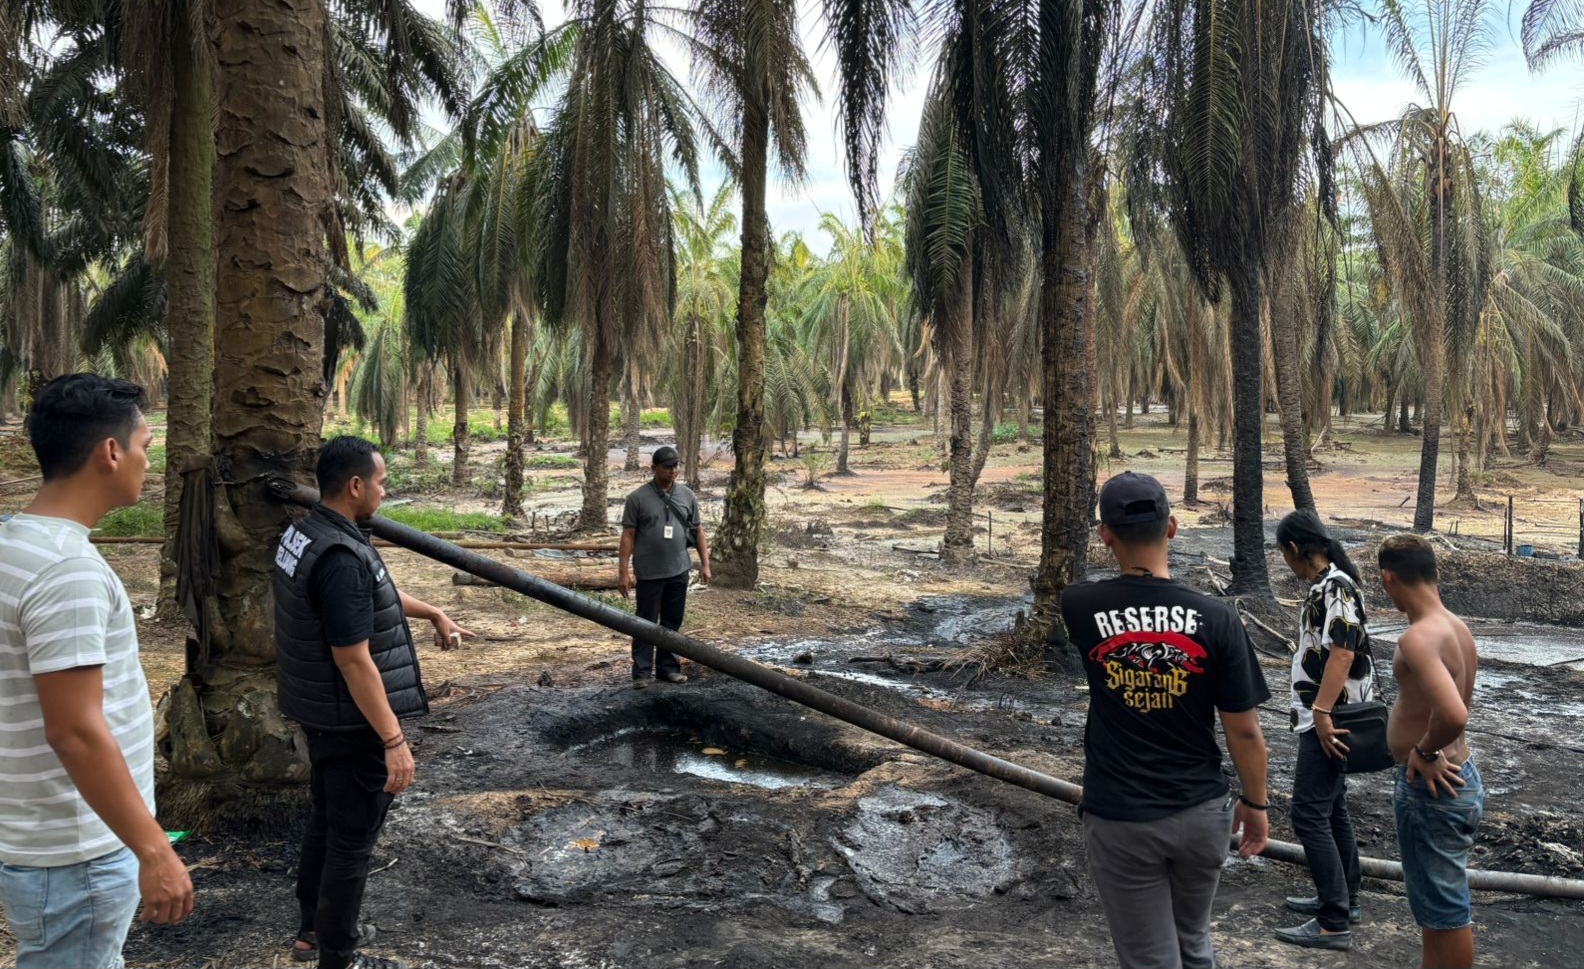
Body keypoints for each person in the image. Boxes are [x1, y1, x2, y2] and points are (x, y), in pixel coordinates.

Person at [0, 374, 194, 968]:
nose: (147, 461)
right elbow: (75, 731)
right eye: (145, 445)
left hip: (45, 835)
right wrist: (154, 850)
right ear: (110, 452)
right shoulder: (67, 572)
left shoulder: (16, 540)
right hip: (77, 849)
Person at [274, 436, 475, 969]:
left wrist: (432, 610)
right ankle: (338, 955)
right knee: (351, 842)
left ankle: (310, 932)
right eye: (382, 482)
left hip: (321, 711)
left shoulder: (309, 532)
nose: (385, 492)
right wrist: (393, 739)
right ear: (356, 485)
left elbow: (373, 592)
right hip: (352, 718)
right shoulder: (341, 555)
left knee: (327, 820)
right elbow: (353, 658)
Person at [1060, 472, 1271, 969]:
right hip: (1202, 813)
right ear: (1172, 527)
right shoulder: (1218, 618)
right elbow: (1244, 729)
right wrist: (1256, 803)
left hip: (1121, 817)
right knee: (1193, 943)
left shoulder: (1080, 605)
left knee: (1150, 959)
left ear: (1105, 534)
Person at [1377, 534, 1482, 969]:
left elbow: (1454, 715)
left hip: (1433, 788)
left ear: (1388, 578)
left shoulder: (1418, 638)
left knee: (1445, 910)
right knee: (1436, 912)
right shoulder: (1456, 626)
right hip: (1459, 776)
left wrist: (1424, 750)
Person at [1272, 510, 1375, 951]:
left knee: (1308, 814)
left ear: (1295, 549)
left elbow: (1342, 653)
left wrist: (1320, 711)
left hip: (1329, 719)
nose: (1285, 566)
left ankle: (1333, 921)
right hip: (1326, 715)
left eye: (1284, 557)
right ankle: (1344, 897)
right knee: (1332, 810)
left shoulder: (1334, 586)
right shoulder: (1328, 585)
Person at [619, 445, 710, 688]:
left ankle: (668, 668)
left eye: (675, 466)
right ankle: (641, 672)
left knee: (672, 622)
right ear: (654, 468)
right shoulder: (637, 498)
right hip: (649, 572)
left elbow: (698, 530)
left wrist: (705, 564)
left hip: (678, 569)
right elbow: (628, 535)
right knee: (645, 622)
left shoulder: (687, 495)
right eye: (667, 467)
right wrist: (623, 572)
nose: (673, 471)